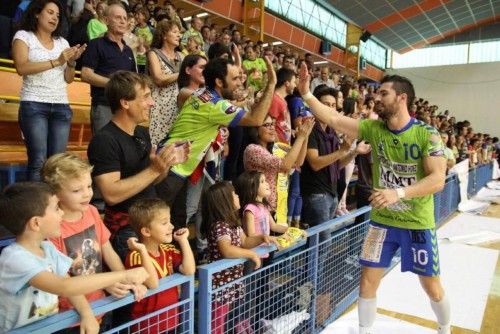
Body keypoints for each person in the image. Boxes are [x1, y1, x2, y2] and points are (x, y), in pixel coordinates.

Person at [298, 65, 450, 334]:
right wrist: (307, 95)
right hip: (382, 222)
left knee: (432, 288)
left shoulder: (427, 134)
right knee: (367, 282)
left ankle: (444, 326)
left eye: (383, 93)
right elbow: (334, 119)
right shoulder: (372, 128)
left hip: (416, 223)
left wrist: (397, 193)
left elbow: (437, 180)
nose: (376, 98)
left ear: (401, 98)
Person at [0, 182, 149, 332]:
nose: (61, 213)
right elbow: (64, 287)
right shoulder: (15, 258)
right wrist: (123, 275)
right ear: (36, 223)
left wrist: (86, 313)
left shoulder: (48, 248)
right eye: (56, 208)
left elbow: (68, 282)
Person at [155, 56, 276, 231]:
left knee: (177, 223)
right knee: (158, 223)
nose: (238, 83)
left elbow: (233, 105)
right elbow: (256, 119)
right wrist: (271, 85)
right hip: (170, 169)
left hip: (175, 166)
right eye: (234, 79)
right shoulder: (215, 106)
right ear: (219, 81)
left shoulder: (203, 94)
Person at [87, 71, 188, 261]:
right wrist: (154, 169)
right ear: (125, 103)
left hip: (152, 224)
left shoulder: (142, 133)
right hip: (128, 229)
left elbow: (152, 180)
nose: (152, 103)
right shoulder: (104, 140)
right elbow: (111, 194)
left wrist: (166, 163)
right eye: (146, 97)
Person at [42, 153, 145, 331]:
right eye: (76, 190)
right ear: (56, 193)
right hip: (71, 314)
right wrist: (86, 313)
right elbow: (63, 279)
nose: (86, 194)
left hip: (100, 303)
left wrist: (126, 279)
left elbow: (108, 250)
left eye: (89, 186)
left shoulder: (91, 211)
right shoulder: (52, 226)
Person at [12, 0, 86, 181]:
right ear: (37, 13)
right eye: (50, 13)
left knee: (58, 163)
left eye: (58, 16)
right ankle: (37, 206)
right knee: (38, 161)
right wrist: (57, 61)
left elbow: (68, 79)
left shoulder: (62, 42)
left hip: (61, 106)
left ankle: (55, 205)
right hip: (34, 104)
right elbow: (21, 67)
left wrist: (71, 61)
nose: (55, 18)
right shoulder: (23, 36)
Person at [201, 181, 277, 334]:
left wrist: (262, 237)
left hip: (233, 282)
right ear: (224, 201)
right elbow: (226, 250)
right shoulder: (219, 226)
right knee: (217, 323)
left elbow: (245, 241)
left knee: (229, 319)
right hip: (221, 285)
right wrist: (251, 254)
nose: (237, 196)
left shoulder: (233, 224)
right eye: (234, 194)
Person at [301, 86, 369, 238]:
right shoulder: (310, 128)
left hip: (332, 193)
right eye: (325, 104)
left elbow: (336, 165)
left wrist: (354, 152)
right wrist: (341, 150)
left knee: (322, 243)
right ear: (316, 105)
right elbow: (315, 163)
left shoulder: (331, 131)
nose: (330, 109)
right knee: (322, 243)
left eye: (333, 105)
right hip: (316, 194)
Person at [125, 198, 195, 334]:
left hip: (170, 320)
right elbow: (152, 283)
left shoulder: (168, 249)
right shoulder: (136, 255)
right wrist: (143, 250)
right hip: (147, 327)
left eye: (169, 221)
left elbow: (189, 270)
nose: (171, 226)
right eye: (164, 223)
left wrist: (183, 241)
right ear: (146, 231)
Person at [244, 114, 314, 225]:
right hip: (259, 212)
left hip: (275, 210)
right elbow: (285, 165)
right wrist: (300, 137)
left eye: (272, 124)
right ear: (255, 130)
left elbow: (297, 162)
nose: (272, 128)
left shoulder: (273, 148)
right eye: (267, 125)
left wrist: (305, 137)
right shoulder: (253, 149)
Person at [81, 2, 136, 134]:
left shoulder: (128, 50)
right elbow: (86, 74)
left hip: (125, 108)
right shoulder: (96, 44)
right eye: (118, 18)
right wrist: (116, 84)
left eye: (124, 18)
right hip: (104, 105)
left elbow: (133, 79)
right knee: (104, 149)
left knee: (123, 148)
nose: (123, 21)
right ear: (106, 20)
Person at [147, 19, 184, 146]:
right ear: (163, 35)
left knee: (175, 147)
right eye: (174, 32)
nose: (179, 35)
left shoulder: (182, 56)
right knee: (157, 148)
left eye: (179, 32)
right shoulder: (154, 54)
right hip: (159, 107)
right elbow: (158, 79)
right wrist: (182, 73)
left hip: (179, 107)